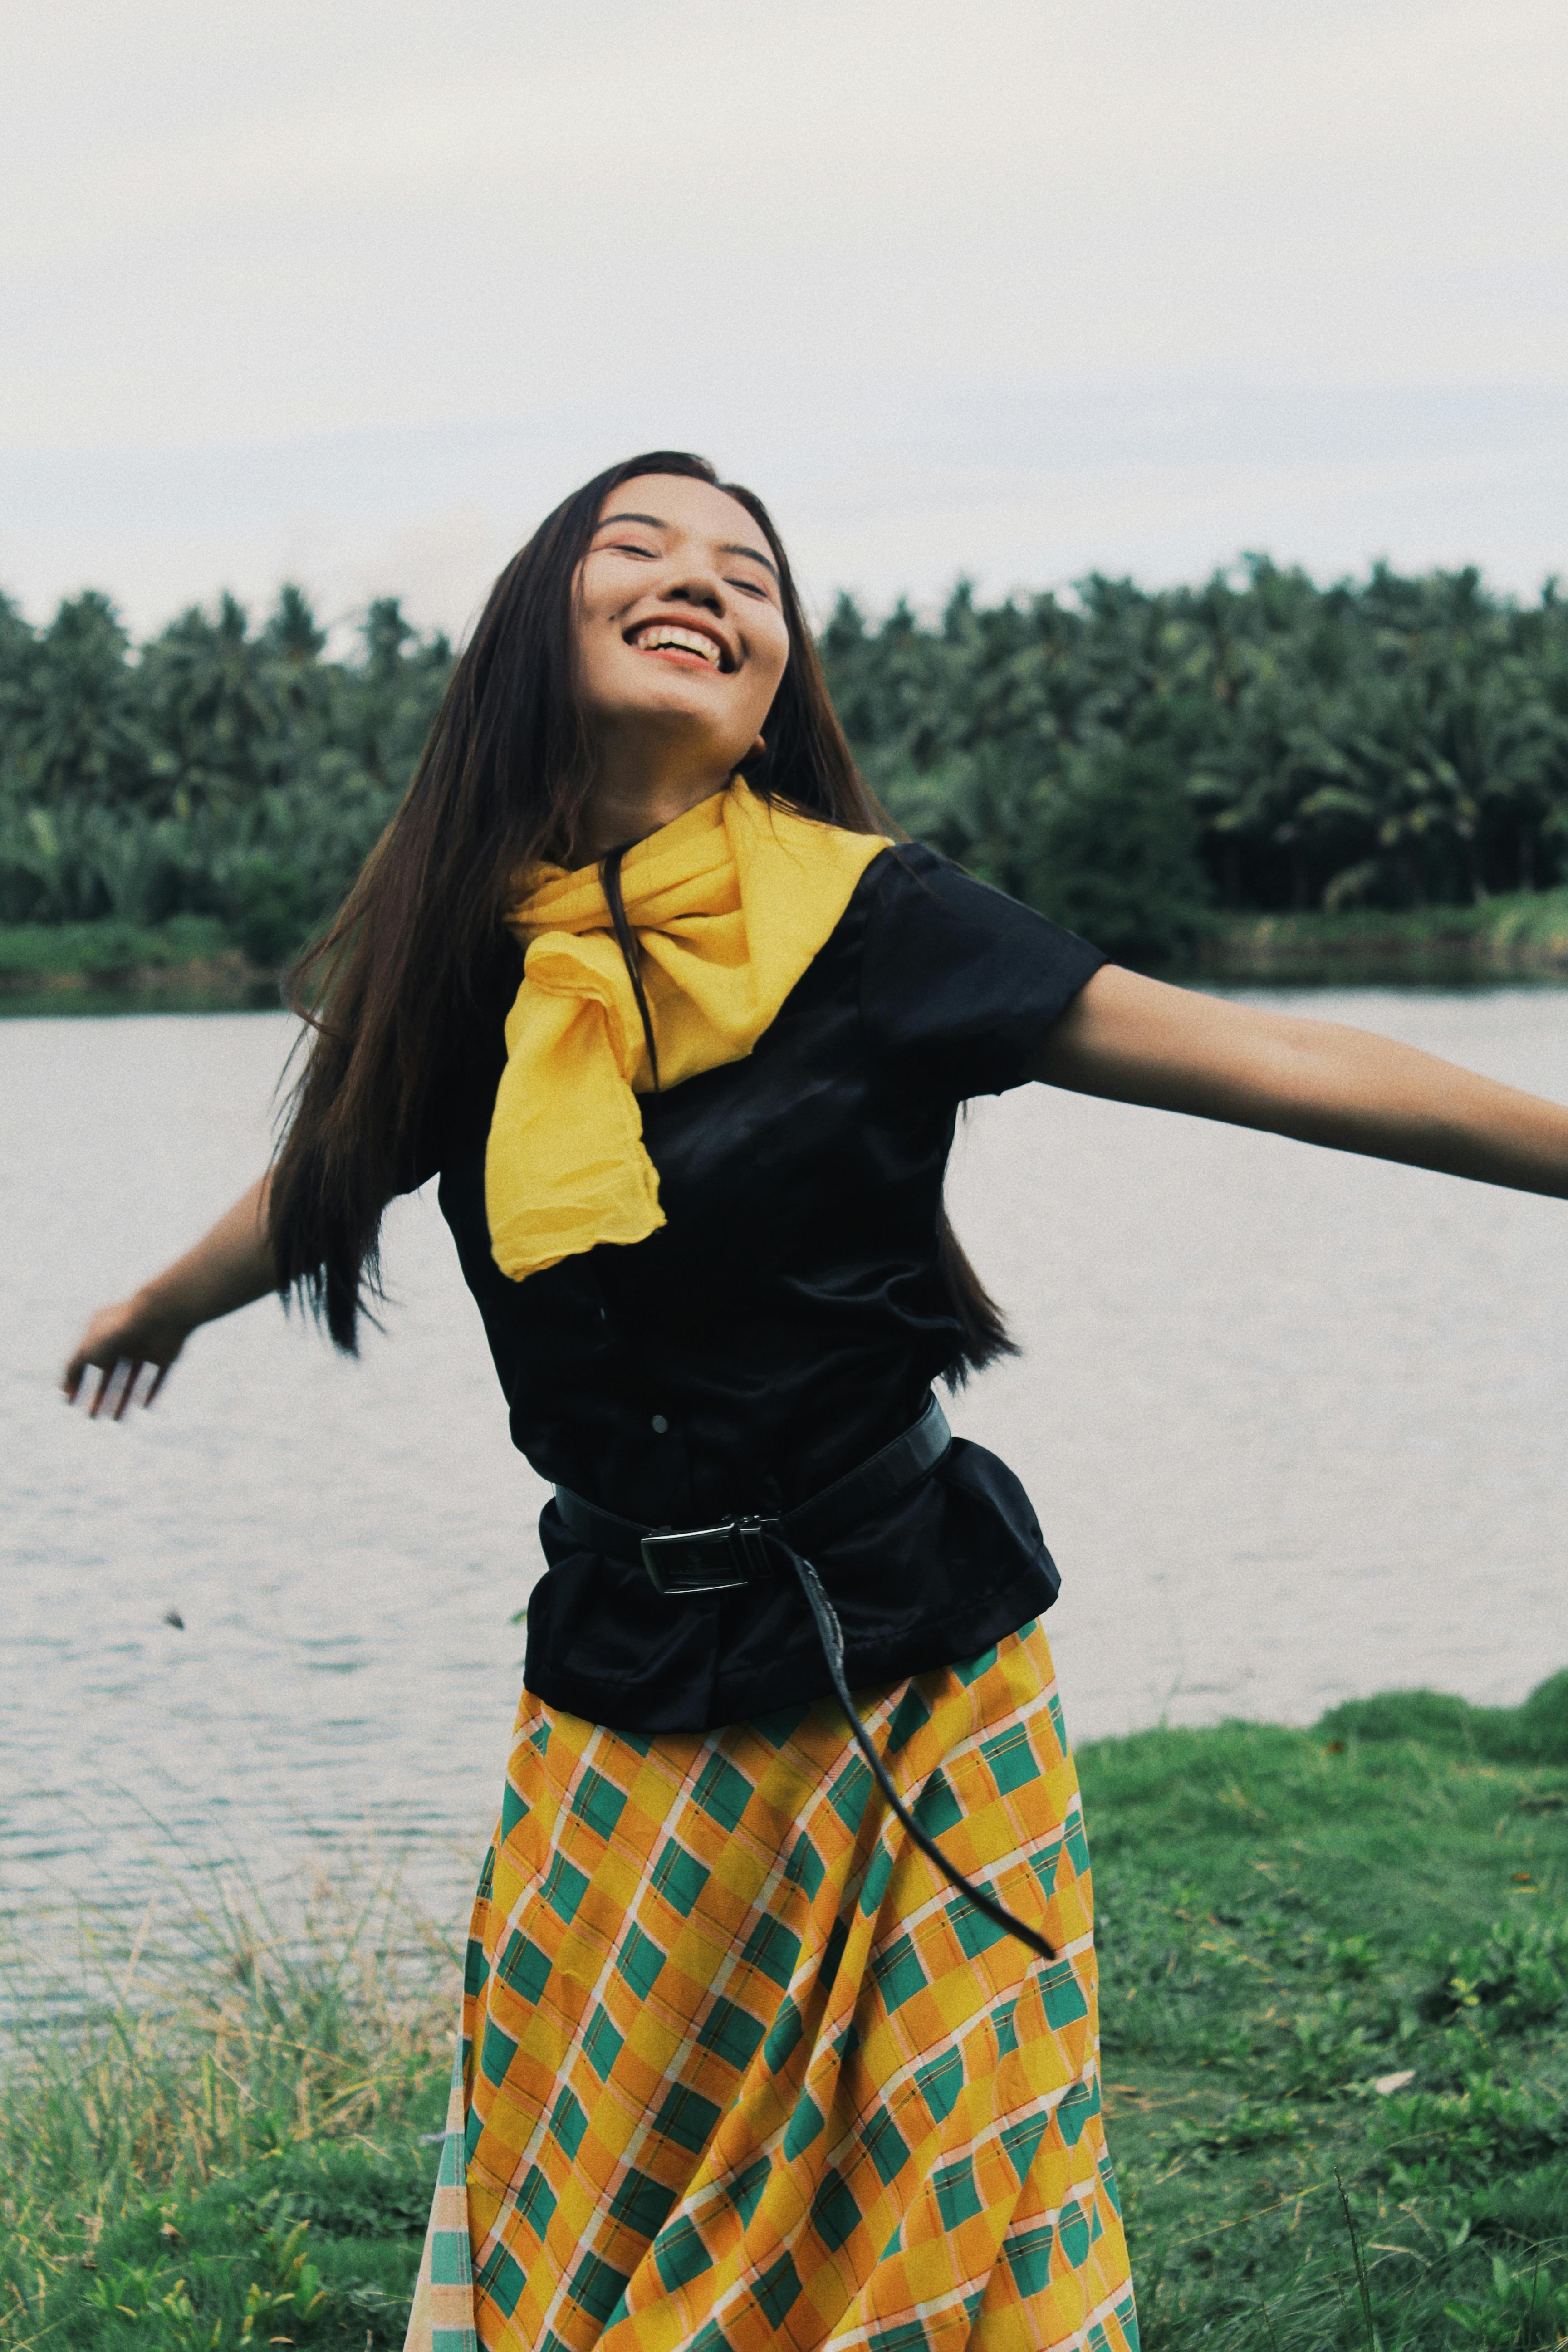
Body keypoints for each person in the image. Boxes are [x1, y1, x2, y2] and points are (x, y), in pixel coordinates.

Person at [65, 452, 1568, 2352]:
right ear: (536, 628)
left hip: (912, 1658)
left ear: (775, 689)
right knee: (613, 2210)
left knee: (931, 2203)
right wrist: (166, 1304)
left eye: (750, 574)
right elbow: (336, 1170)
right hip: (621, 1679)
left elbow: (1267, 1057)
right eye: (639, 545)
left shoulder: (878, 919)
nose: (703, 580)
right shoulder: (485, 957)